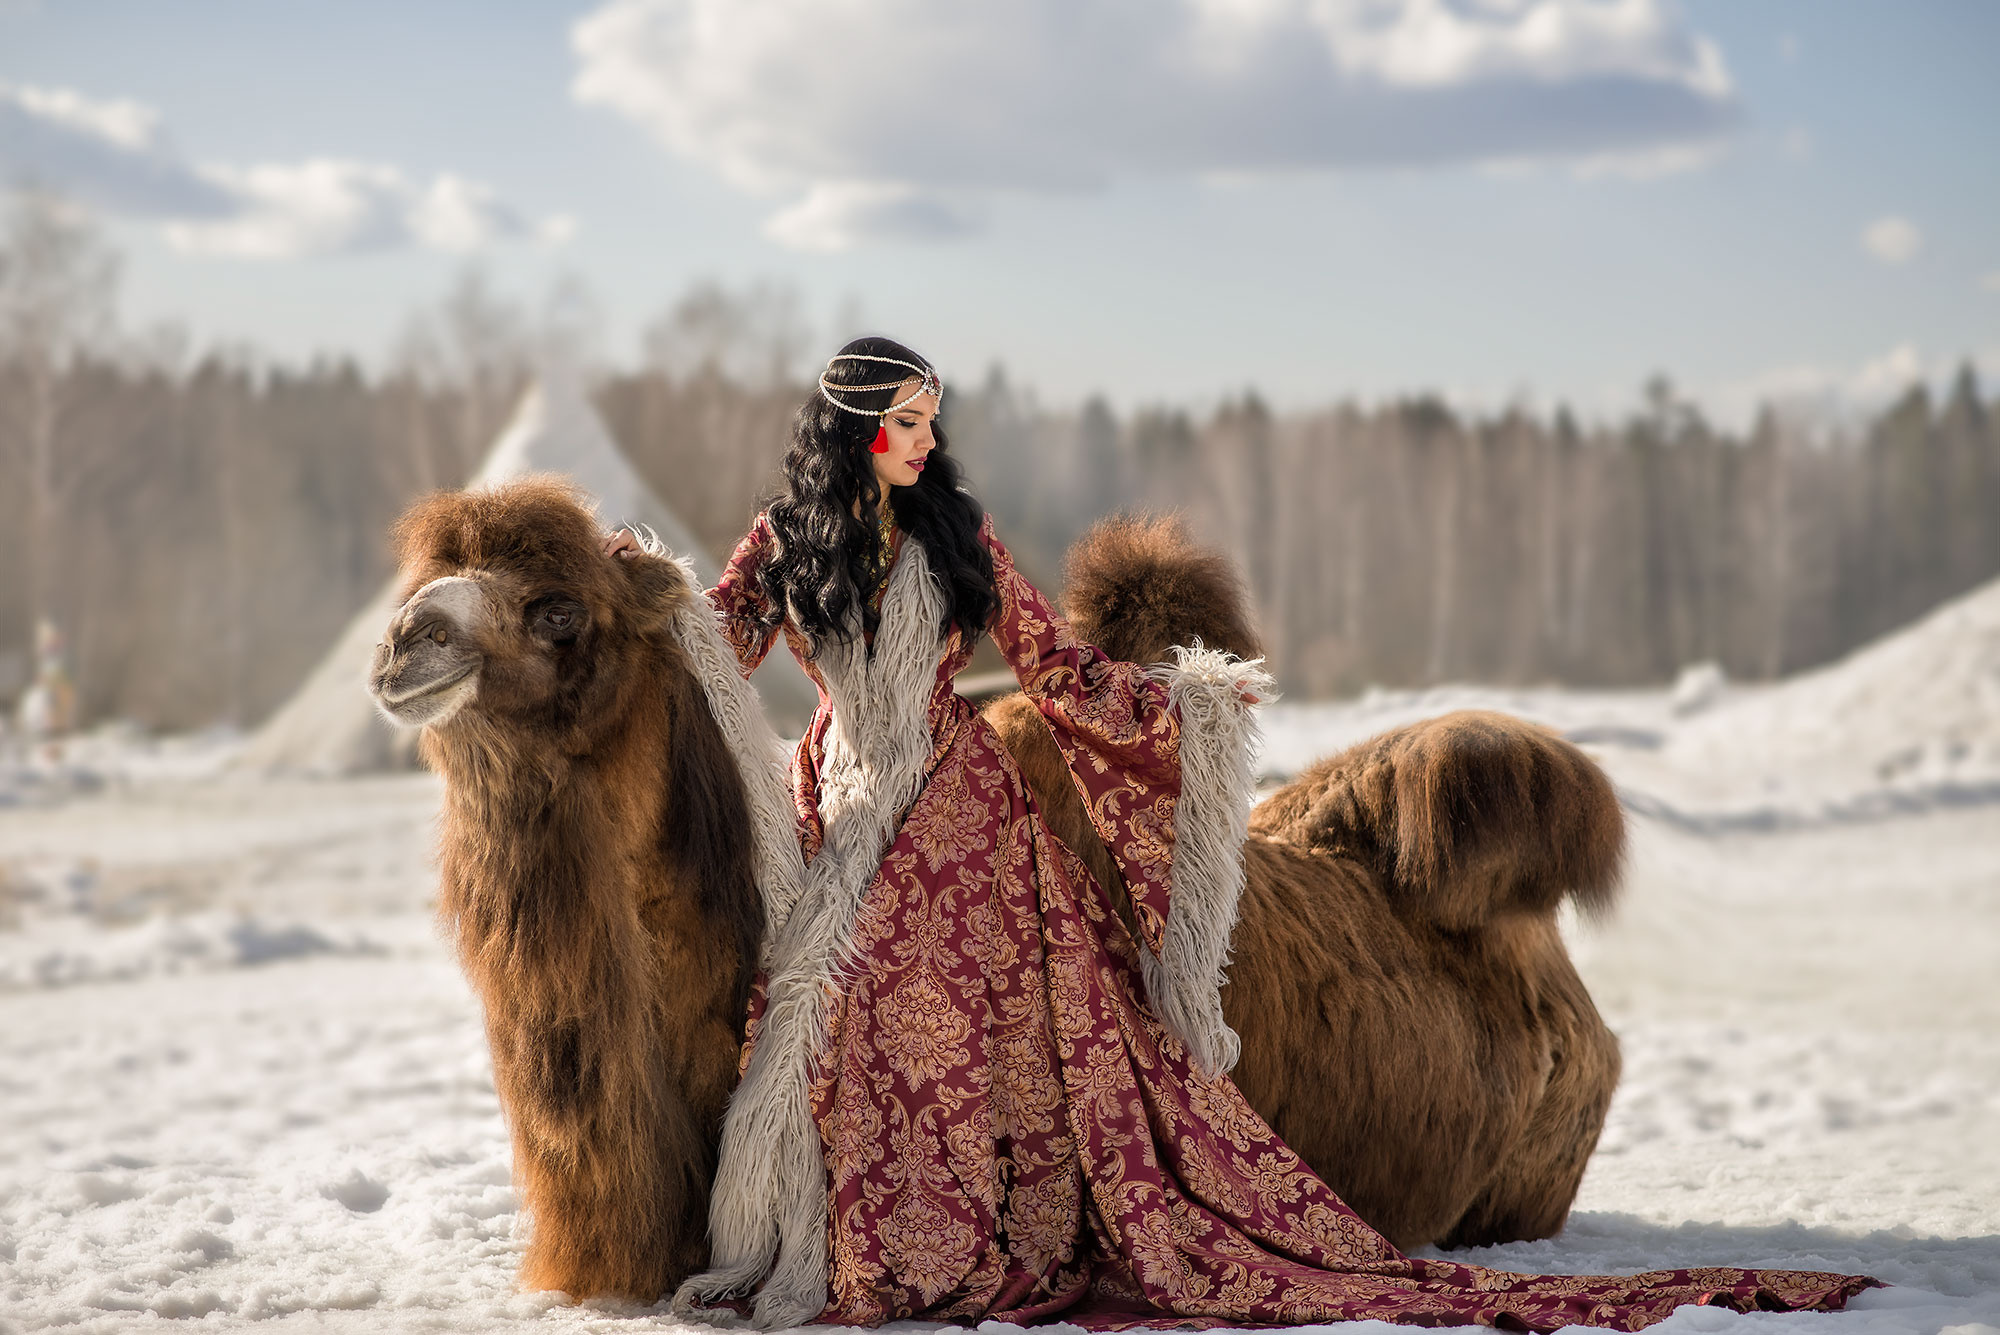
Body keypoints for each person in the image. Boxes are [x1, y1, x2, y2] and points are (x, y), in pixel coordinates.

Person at [603, 336, 1875, 1331]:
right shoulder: (783, 547)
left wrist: (1178, 709)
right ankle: (825, 1240)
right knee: (813, 1018)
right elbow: (714, 645)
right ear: (850, 432)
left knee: (946, 1023)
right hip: (837, 803)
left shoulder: (958, 536)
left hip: (956, 816)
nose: (924, 444)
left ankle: (948, 1251)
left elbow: (1054, 669)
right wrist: (626, 604)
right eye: (904, 425)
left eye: (932, 423)